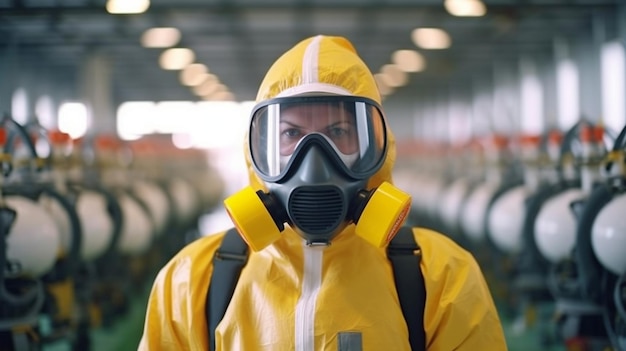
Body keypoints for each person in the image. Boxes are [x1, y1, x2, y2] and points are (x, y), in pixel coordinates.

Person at [138, 34, 508, 350]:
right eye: (291, 134)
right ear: (259, 151)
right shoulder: (192, 280)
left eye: (338, 132)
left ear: (376, 148)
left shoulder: (442, 276)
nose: (313, 160)